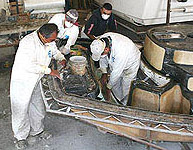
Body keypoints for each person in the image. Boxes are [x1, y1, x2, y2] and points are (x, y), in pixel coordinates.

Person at [10, 23, 66, 149]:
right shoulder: (28, 43)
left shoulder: (48, 40)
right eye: (51, 40)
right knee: (21, 109)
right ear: (42, 36)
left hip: (36, 78)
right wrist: (50, 71)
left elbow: (54, 50)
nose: (53, 41)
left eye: (54, 39)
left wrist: (60, 58)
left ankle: (37, 130)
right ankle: (20, 137)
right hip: (23, 80)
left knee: (38, 106)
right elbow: (29, 66)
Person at [90, 32, 141, 105]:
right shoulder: (102, 41)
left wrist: (108, 87)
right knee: (115, 84)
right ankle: (118, 100)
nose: (101, 55)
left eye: (102, 54)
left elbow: (116, 72)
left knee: (126, 86)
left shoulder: (120, 51)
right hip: (116, 63)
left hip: (130, 64)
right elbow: (102, 58)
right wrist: (104, 73)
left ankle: (125, 104)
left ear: (106, 49)